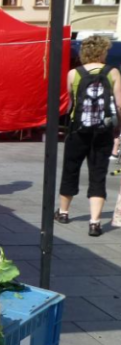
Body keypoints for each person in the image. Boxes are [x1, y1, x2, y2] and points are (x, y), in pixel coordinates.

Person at [56, 35, 121, 237]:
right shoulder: (113, 72)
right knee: (98, 174)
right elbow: (118, 104)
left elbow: (70, 102)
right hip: (103, 132)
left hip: (78, 130)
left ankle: (64, 212)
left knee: (71, 169)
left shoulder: (73, 74)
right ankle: (94, 222)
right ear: (103, 51)